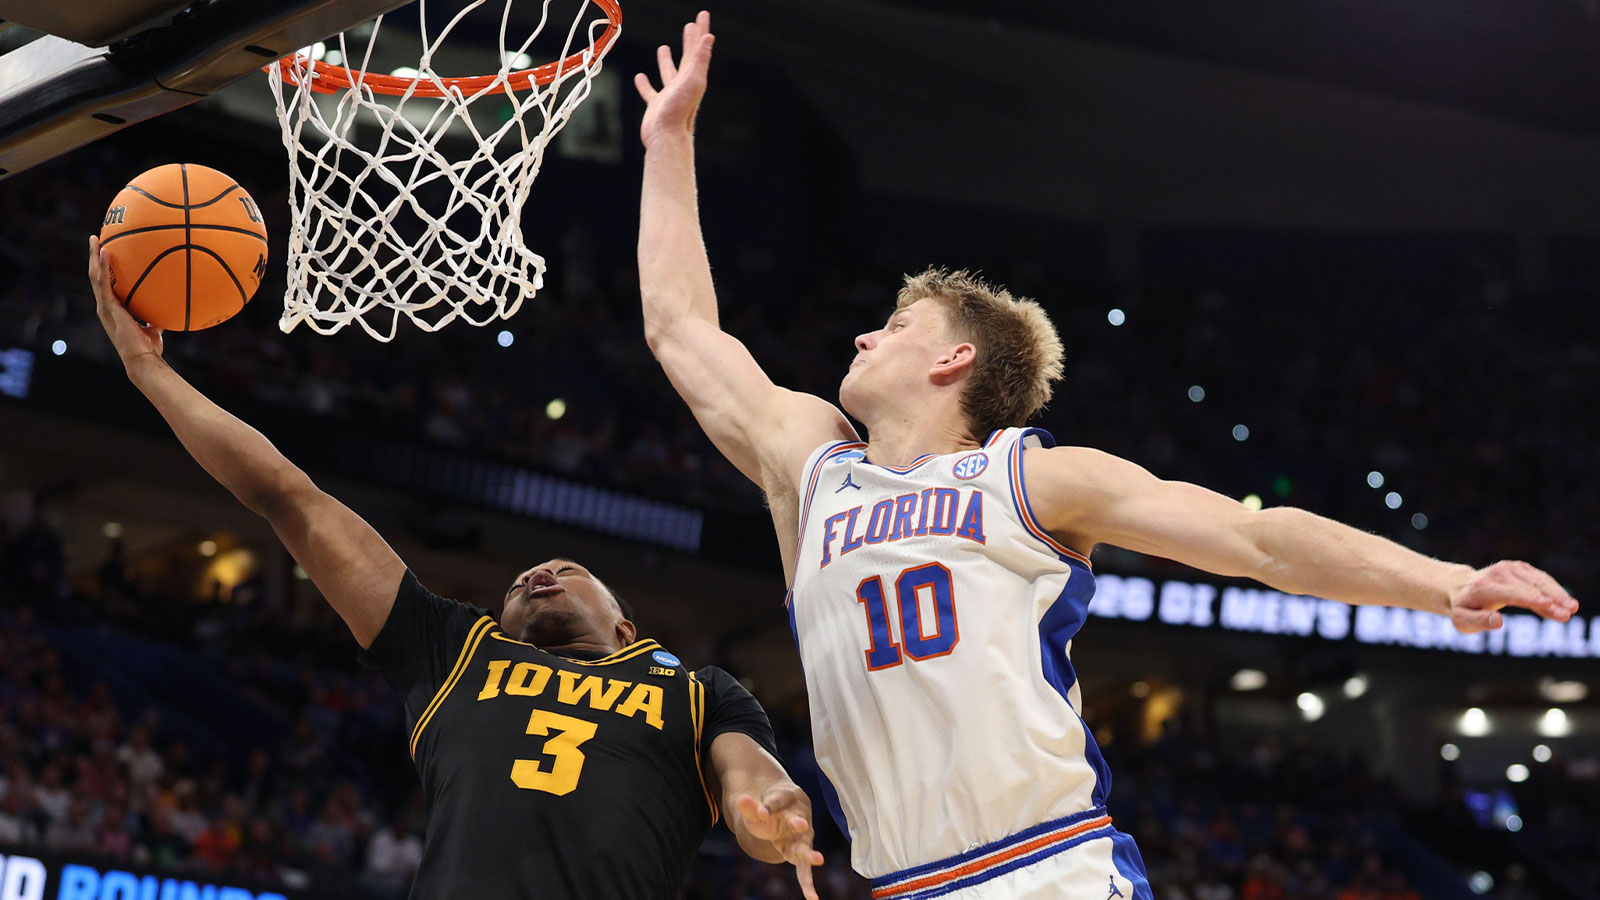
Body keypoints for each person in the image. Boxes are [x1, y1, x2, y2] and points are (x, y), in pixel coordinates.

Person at [632, 12, 1580, 899]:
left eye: (895, 324)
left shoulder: (1032, 478)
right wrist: (669, 145)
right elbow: (680, 329)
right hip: (900, 883)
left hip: (1050, 870)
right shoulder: (814, 470)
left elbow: (1259, 543)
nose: (863, 339)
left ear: (954, 358)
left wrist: (1442, 581)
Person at [85, 238, 826, 900]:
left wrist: (778, 815)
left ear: (626, 626)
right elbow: (287, 497)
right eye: (517, 584)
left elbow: (748, 776)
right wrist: (148, 372)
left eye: (564, 570)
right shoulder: (452, 649)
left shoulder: (694, 693)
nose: (535, 576)